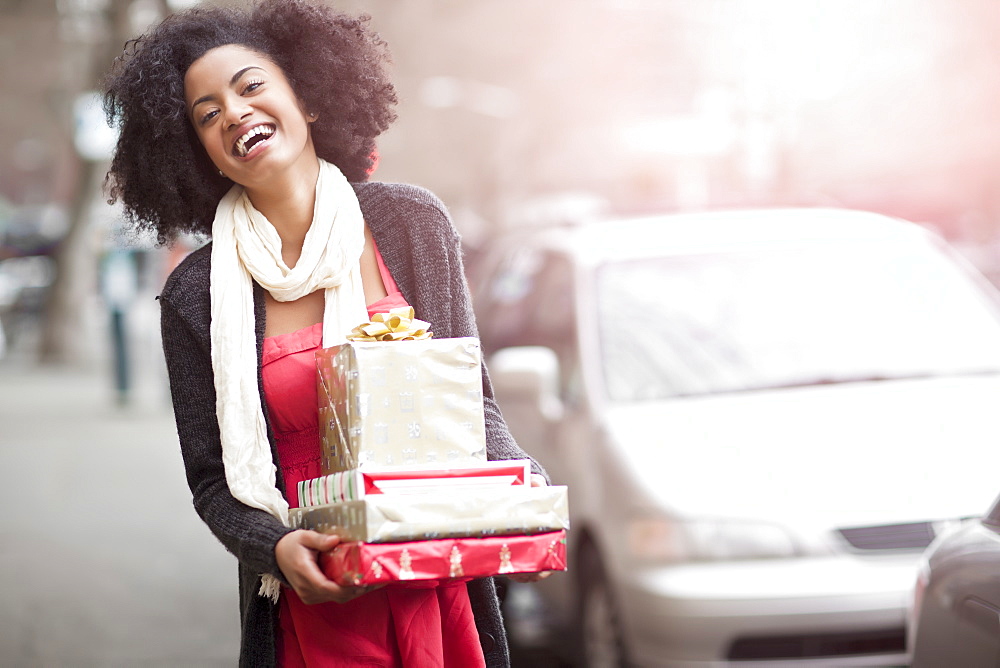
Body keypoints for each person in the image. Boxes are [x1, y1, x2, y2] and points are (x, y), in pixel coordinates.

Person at [102, 1, 548, 666]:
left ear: (306, 99)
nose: (234, 112)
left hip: (433, 580)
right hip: (313, 605)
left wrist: (525, 490)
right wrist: (274, 549)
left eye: (251, 86)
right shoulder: (195, 295)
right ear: (199, 153)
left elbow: (469, 401)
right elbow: (213, 483)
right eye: (207, 113)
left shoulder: (411, 224)